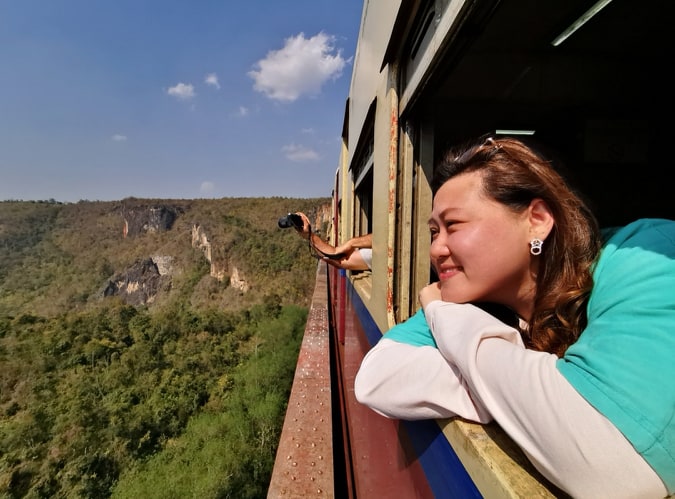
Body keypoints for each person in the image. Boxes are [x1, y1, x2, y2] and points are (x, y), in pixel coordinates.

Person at [353, 136, 675, 498]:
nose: (436, 249)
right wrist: (527, 393)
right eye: (433, 232)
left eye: (453, 225)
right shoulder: (474, 303)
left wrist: (444, 316)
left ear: (536, 221)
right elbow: (375, 381)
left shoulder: (650, 257)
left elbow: (619, 472)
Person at [293, 211, 372, 271]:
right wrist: (309, 235)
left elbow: (340, 260)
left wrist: (352, 243)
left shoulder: (375, 255)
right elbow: (338, 258)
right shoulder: (374, 255)